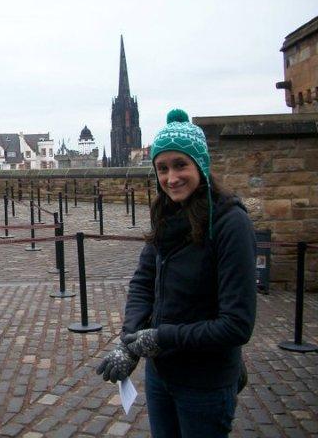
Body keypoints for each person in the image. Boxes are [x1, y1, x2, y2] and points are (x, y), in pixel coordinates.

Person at [96, 109, 257, 438]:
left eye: (180, 165)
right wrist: (130, 342)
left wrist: (161, 338)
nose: (171, 178)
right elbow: (143, 282)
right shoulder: (167, 213)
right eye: (162, 168)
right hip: (162, 375)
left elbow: (236, 324)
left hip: (205, 382)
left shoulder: (231, 223)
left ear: (200, 165)